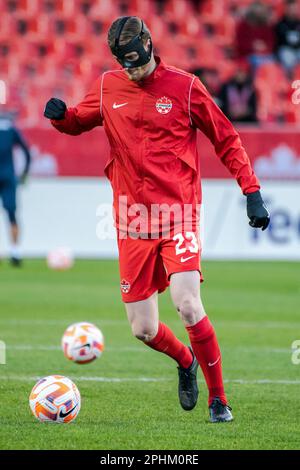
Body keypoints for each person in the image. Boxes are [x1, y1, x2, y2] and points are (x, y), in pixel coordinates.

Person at [44, 16, 270, 423]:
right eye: (124, 63)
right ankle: (186, 363)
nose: (132, 70)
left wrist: (251, 191)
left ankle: (219, 400)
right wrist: (61, 116)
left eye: (135, 60)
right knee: (143, 329)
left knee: (187, 304)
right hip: (131, 220)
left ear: (148, 44)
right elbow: (78, 121)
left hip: (178, 213)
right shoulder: (108, 86)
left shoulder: (185, 88)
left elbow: (226, 137)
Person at [0, 116, 31, 266]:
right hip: (8, 176)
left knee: (12, 214)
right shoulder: (10, 129)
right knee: (12, 214)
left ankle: (15, 251)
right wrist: (24, 172)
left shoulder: (10, 128)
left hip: (7, 177)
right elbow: (26, 151)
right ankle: (15, 252)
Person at [275, 0, 300, 75]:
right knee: (287, 59)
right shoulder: (280, 24)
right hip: (286, 49)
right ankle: (289, 82)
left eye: (294, 8)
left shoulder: (298, 23)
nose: (292, 10)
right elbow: (279, 41)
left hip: (298, 49)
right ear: (286, 9)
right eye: (290, 8)